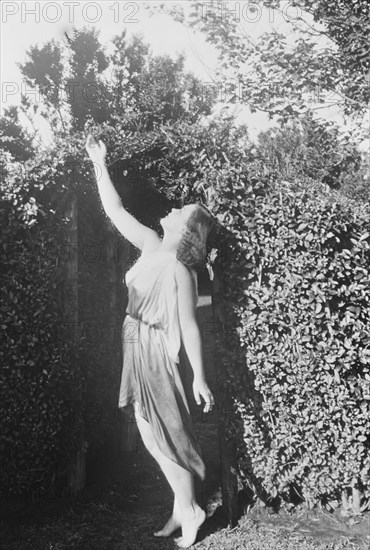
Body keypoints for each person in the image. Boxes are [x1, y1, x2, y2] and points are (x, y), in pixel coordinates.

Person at [85, 134, 216, 548]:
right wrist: (99, 164)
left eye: (181, 211)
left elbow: (189, 325)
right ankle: (182, 505)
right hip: (134, 344)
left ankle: (192, 509)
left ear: (188, 229)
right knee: (149, 431)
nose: (172, 209)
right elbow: (116, 210)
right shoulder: (149, 244)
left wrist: (198, 377)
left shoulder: (181, 269)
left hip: (156, 352)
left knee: (161, 432)